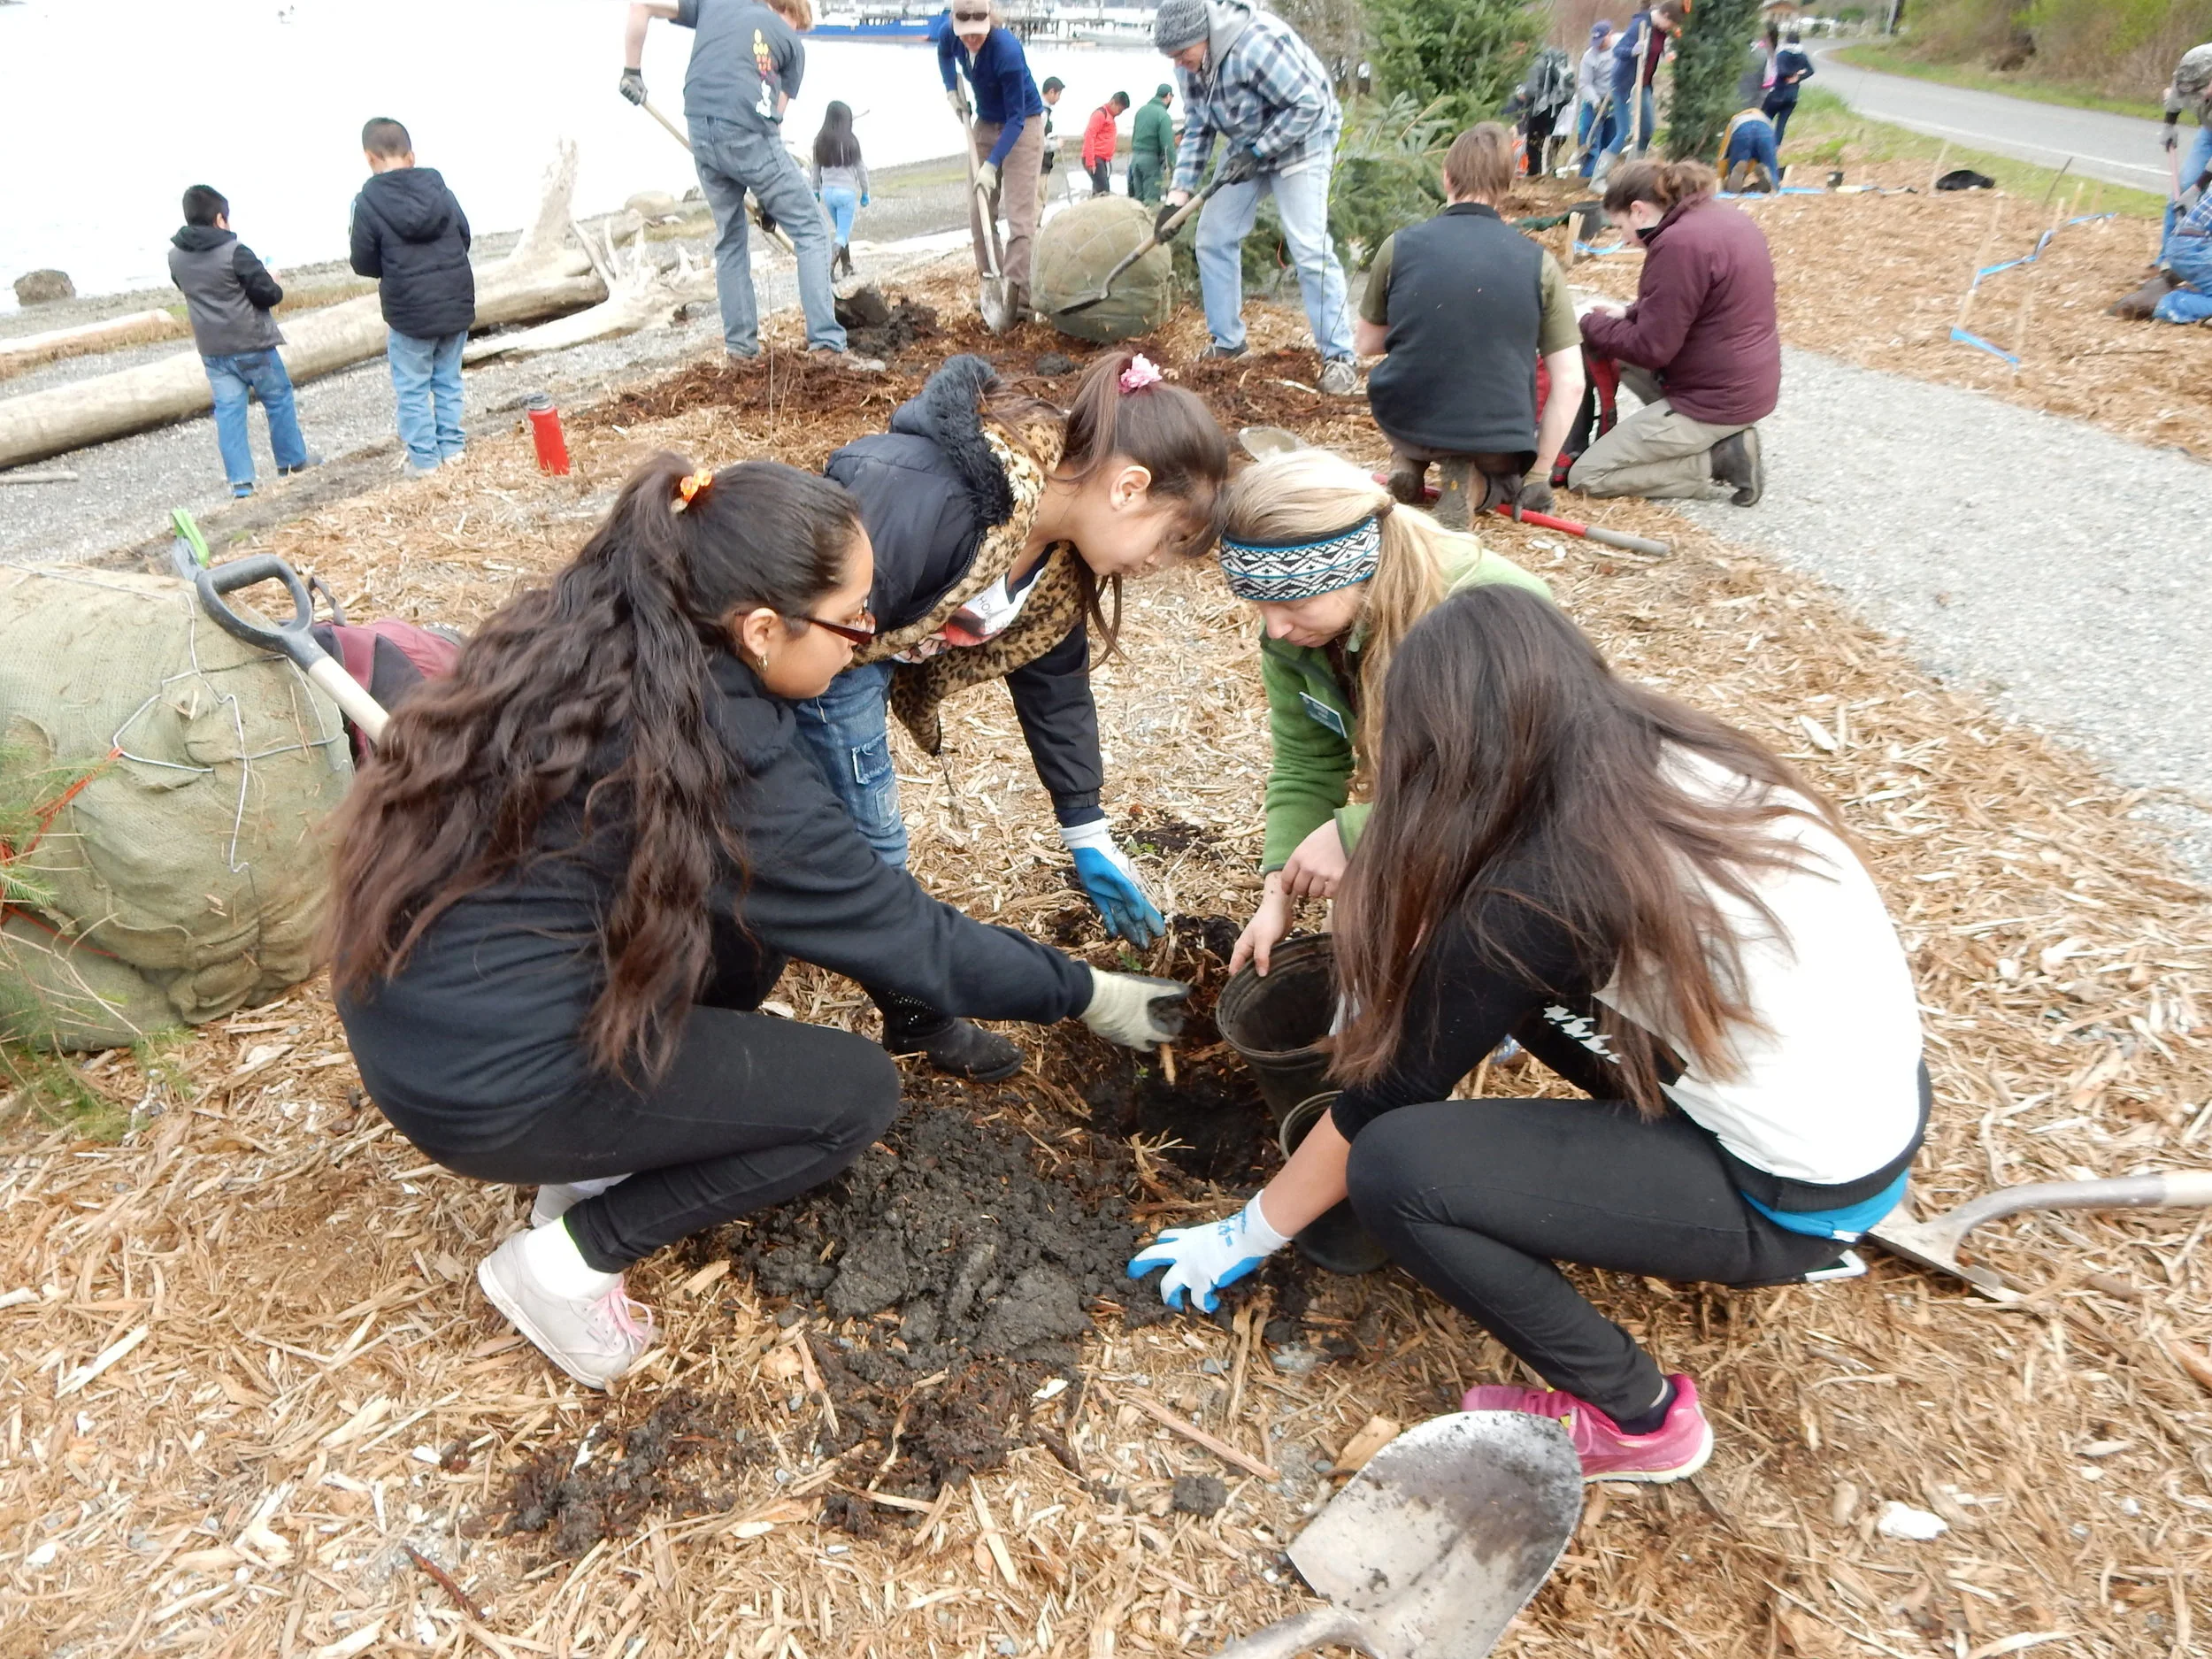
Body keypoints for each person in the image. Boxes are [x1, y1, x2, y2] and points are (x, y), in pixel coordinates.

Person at [331, 453, 1191, 1391]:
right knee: (853, 1096)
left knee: (750, 929)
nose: (867, 637)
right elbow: (905, 936)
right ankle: (568, 1259)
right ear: (761, 626)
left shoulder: (590, 633)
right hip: (492, 1084)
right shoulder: (720, 746)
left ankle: (598, 1155)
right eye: (853, 619)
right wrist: (1088, 991)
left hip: (420, 1008)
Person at [1133, 584, 1927, 1482]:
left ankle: (1638, 1420)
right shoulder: (1663, 755)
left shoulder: (1542, 886)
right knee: (1494, 997)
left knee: (1397, 1167)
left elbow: (1386, 1101)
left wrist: (1244, 1233)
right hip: (1871, 1109)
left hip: (1791, 1192)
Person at [810, 352, 1232, 1077]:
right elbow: (808, 628)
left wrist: (1086, 826)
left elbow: (1054, 684)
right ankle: (918, 1014)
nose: (1157, 565)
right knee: (867, 841)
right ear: (1129, 487)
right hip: (820, 656)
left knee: (857, 832)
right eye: (1168, 541)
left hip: (861, 654)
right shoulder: (940, 504)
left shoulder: (1059, 560)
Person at [1210, 449, 1550, 979]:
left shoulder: (1483, 610)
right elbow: (1308, 762)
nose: (1273, 629)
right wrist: (1279, 888)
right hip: (1434, 806)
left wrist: (1361, 832)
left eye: (1294, 605)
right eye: (1259, 606)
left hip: (1535, 827)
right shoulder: (1299, 638)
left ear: (1355, 569)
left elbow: (1513, 783)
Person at [1357, 125, 1587, 519]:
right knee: (1507, 483)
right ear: (1508, 184)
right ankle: (1476, 487)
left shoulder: (1398, 246)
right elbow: (1571, 381)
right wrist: (1538, 475)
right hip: (1496, 440)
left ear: (1446, 176)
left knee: (1415, 407)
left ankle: (1407, 462)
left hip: (1408, 424)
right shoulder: (1539, 264)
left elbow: (1367, 343)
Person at [621, 0, 866, 367]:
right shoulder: (792, 47)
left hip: (700, 127)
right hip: (748, 130)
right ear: (790, 12)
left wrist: (633, 71)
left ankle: (740, 352)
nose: (794, 34)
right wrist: (771, 195)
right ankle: (827, 345)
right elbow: (773, 120)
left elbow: (642, 5)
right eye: (798, 26)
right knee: (812, 230)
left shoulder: (716, 3)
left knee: (730, 239)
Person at [1152, 0, 1358, 395]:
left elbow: (1310, 105)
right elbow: (1198, 128)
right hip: (1248, 144)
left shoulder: (1257, 43)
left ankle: (1340, 356)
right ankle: (1229, 343)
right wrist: (1176, 199)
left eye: (1182, 54)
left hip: (1304, 141)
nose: (1178, 64)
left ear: (1204, 36)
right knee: (1212, 237)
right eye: (1171, 57)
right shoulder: (1190, 66)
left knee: (1308, 246)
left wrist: (1259, 151)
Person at [1570, 159, 1778, 507]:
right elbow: (1693, 301)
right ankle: (1720, 442)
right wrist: (1627, 313)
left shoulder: (1678, 244)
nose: (1623, 240)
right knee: (1609, 341)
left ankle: (1717, 460)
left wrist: (1586, 322)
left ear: (1638, 211)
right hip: (1740, 386)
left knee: (1586, 476)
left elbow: (1653, 349)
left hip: (1712, 401)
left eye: (1620, 227)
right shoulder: (1721, 218)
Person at [167, 185, 318, 500]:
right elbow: (268, 294)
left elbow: (186, 287)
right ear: (220, 219)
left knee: (229, 412)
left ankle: (241, 483)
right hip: (252, 342)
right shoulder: (235, 251)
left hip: (213, 347)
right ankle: (291, 463)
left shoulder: (176, 256)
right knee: (277, 399)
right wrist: (272, 279)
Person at [350, 118, 474, 480]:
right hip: (454, 300)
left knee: (413, 388)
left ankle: (425, 461)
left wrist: (394, 268)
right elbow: (464, 236)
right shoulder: (440, 190)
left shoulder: (367, 202)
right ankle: (453, 449)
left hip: (409, 311)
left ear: (370, 158)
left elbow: (363, 262)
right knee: (448, 379)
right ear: (411, 156)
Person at [939, 2, 1047, 318]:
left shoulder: (1007, 52)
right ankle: (992, 285)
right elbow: (944, 55)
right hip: (984, 123)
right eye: (966, 35)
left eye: (978, 34)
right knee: (979, 211)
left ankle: (1019, 299)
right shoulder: (949, 34)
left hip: (1023, 126)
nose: (972, 40)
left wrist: (991, 164)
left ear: (989, 23)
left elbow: (1016, 119)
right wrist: (951, 89)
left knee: (1020, 218)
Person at [1598, 3, 1680, 169]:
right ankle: (1598, 178)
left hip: (1643, 84)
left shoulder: (1661, 30)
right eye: (1671, 24)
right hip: (1624, 84)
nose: (1671, 28)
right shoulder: (1640, 25)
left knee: (1647, 131)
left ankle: (1633, 172)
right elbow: (1618, 51)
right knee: (1624, 133)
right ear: (1665, 16)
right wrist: (1633, 50)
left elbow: (1656, 50)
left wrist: (1669, 53)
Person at [2161, 42, 2212, 255]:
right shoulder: (2191, 67)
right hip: (2208, 132)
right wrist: (2169, 125)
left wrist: (2198, 188)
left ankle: (2201, 260)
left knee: (2204, 201)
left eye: (2202, 91)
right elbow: (2175, 96)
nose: (2198, 98)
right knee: (2181, 189)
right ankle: (2167, 260)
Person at [810, 100, 869, 280]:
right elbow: (861, 169)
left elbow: (815, 169)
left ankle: (847, 266)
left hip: (828, 193)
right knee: (843, 233)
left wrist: (815, 190)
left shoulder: (819, 141)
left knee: (840, 230)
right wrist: (865, 192)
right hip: (846, 194)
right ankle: (829, 268)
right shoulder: (851, 140)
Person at [1575, 22, 1617, 180]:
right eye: (1596, 42)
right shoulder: (1589, 57)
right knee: (1590, 140)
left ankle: (1603, 176)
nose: (1598, 46)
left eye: (1602, 41)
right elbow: (1584, 83)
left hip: (1616, 101)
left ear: (1610, 34)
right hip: (1594, 101)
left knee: (1611, 139)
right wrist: (1595, 102)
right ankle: (1587, 176)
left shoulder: (1620, 44)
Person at [1761, 30, 1813, 150]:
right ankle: (1775, 148)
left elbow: (1780, 72)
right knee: (1781, 124)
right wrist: (1798, 77)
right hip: (1792, 96)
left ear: (1786, 41)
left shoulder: (1782, 55)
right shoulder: (1802, 55)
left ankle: (1762, 145)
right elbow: (1811, 70)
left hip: (1778, 94)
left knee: (1765, 119)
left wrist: (1790, 76)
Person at [1129, 83, 1175, 204]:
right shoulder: (1163, 115)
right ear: (1168, 96)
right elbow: (1167, 146)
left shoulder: (1141, 111)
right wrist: (1173, 165)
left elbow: (1134, 136)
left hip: (1135, 159)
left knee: (1137, 201)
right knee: (1151, 202)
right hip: (1150, 162)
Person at [1720, 104, 1779, 194]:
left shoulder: (1734, 120)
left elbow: (1724, 152)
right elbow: (1773, 147)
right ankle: (1772, 180)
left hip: (1742, 130)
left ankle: (1736, 170)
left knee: (1738, 164)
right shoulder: (1766, 119)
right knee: (1770, 164)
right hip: (1765, 131)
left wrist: (1721, 177)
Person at [1084, 91, 1130, 196]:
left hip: (1103, 160)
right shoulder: (1100, 114)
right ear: (1113, 102)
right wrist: (1091, 161)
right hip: (1096, 158)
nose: (1119, 113)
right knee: (1104, 192)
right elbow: (1089, 136)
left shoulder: (1110, 117)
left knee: (1099, 190)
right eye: (1119, 110)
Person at [1040, 75, 1065, 201]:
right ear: (1051, 92)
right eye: (1058, 94)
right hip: (1039, 164)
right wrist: (1056, 144)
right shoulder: (1042, 113)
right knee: (1039, 200)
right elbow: (1037, 141)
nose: (1059, 98)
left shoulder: (1039, 108)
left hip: (1039, 163)